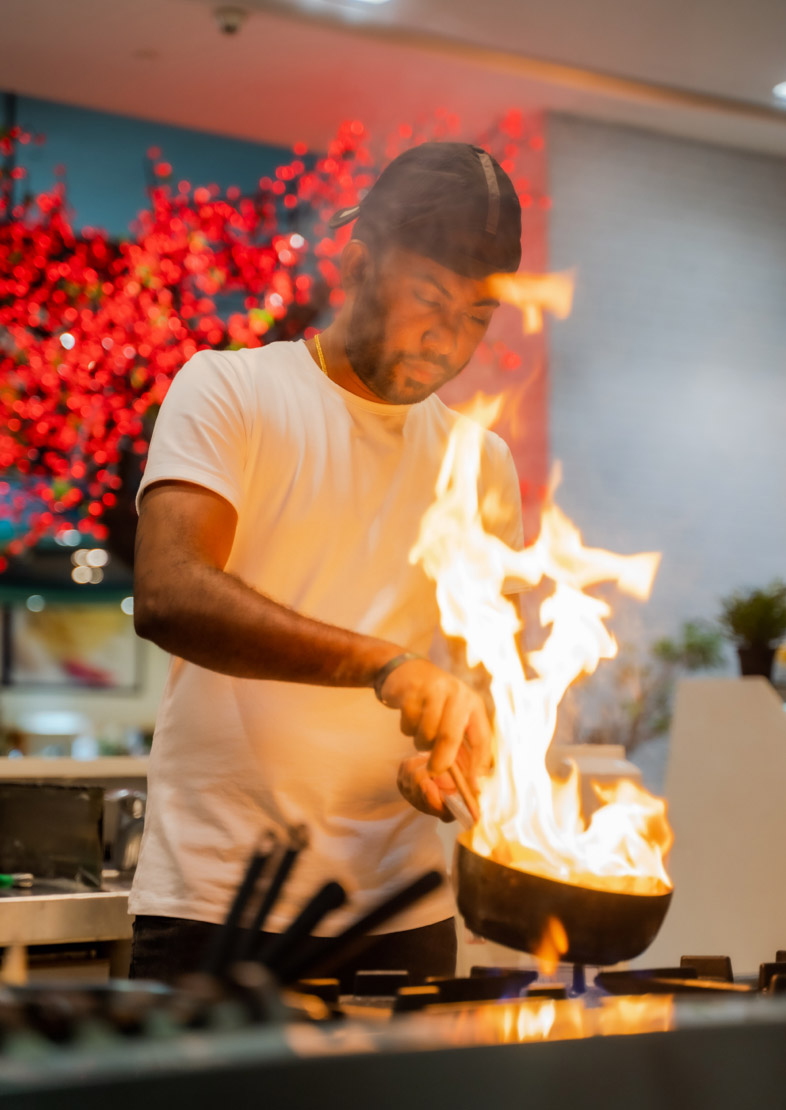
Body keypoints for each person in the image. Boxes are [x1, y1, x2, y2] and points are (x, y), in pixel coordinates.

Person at [128, 141, 524, 987]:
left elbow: (485, 684)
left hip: (404, 915)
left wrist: (454, 759)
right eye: (429, 300)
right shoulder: (230, 391)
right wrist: (385, 666)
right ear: (356, 266)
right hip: (219, 905)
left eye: (476, 318)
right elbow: (169, 592)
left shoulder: (481, 463)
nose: (448, 340)